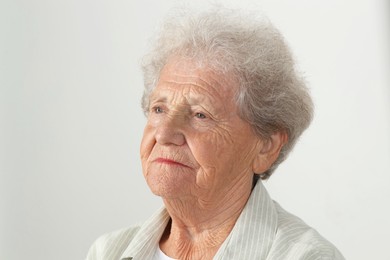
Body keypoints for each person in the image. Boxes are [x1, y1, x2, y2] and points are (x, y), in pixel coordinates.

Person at [86, 7, 344, 260]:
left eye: (200, 115)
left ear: (266, 146)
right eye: (159, 109)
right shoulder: (108, 251)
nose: (164, 133)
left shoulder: (306, 256)